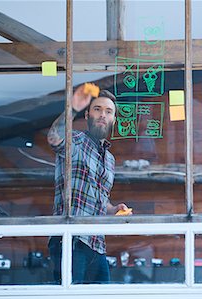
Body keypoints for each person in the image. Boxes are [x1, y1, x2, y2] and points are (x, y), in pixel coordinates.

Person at [46, 83, 131, 284]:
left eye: (108, 111)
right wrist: (72, 108)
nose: (103, 114)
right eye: (97, 109)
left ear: (113, 120)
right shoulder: (75, 140)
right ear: (87, 116)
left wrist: (113, 209)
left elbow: (100, 197)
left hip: (97, 243)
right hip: (70, 239)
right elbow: (53, 137)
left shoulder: (110, 159)